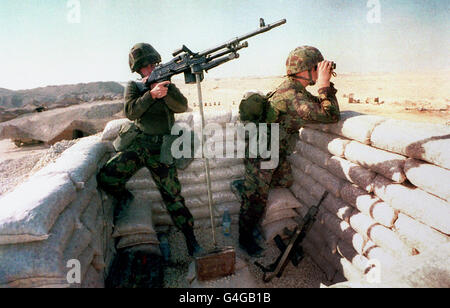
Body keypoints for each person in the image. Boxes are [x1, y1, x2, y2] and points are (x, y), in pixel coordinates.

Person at [97, 43, 203, 257]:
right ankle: (126, 198)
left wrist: (165, 93)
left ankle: (191, 239)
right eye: (145, 66)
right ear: (138, 69)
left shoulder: (167, 85)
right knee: (107, 177)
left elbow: (181, 107)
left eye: (153, 64)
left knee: (173, 196)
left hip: (162, 149)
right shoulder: (135, 87)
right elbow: (130, 112)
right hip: (140, 143)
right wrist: (151, 95)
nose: (150, 68)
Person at [234, 46, 341, 256]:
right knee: (256, 198)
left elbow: (318, 107)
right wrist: (324, 85)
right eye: (316, 68)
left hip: (272, 149)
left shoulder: (293, 90)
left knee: (283, 182)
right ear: (305, 70)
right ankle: (244, 239)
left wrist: (323, 87)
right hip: (263, 153)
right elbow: (330, 114)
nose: (320, 71)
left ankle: (248, 186)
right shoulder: (292, 95)